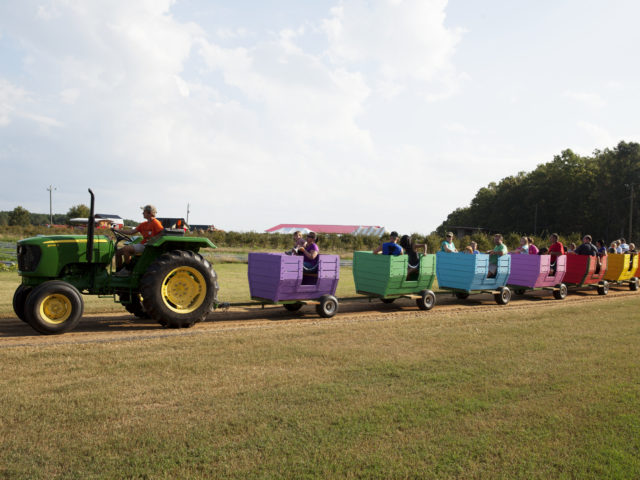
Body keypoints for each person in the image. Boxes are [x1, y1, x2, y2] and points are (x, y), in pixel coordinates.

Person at [115, 204, 164, 276]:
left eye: (144, 212)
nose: (142, 213)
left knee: (126, 249)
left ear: (149, 213)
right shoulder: (143, 224)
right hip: (143, 244)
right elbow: (131, 232)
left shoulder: (156, 223)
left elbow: (162, 233)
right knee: (118, 252)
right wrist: (118, 231)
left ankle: (128, 270)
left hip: (148, 246)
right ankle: (119, 271)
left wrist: (153, 240)